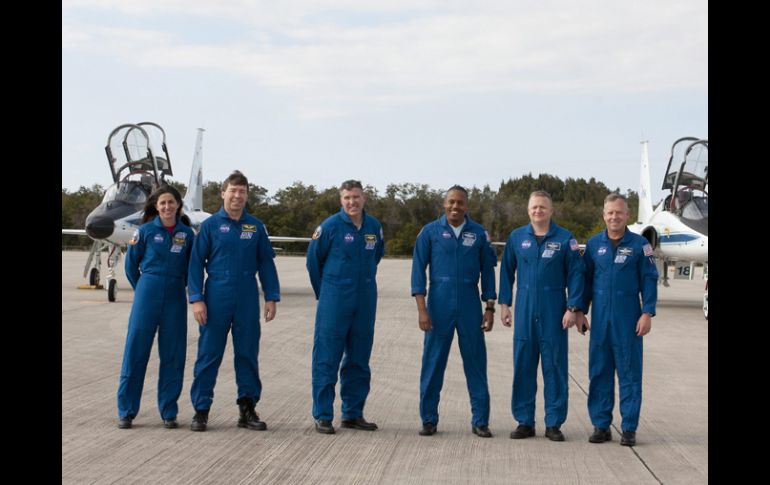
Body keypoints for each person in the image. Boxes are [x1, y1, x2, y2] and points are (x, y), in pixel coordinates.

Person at [187, 171, 280, 432]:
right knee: (208, 354)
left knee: (248, 354)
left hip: (247, 296)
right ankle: (201, 409)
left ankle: (247, 408)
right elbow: (195, 265)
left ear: (247, 196)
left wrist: (271, 296)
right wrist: (196, 299)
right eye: (233, 190)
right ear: (223, 193)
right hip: (216, 295)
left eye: (242, 192)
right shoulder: (210, 226)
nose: (237, 196)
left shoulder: (256, 227)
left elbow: (265, 262)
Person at [411, 185, 497, 438]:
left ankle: (480, 420)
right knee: (433, 363)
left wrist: (489, 307)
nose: (455, 207)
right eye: (451, 202)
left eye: (460, 202)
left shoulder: (479, 234)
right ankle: (428, 419)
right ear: (444, 203)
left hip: (470, 303)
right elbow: (417, 272)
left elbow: (488, 273)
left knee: (476, 364)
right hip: (439, 303)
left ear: (466, 205)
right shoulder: (429, 232)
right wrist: (422, 310)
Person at [498, 190, 585, 441]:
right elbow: (506, 272)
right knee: (523, 365)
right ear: (528, 210)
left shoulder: (565, 239)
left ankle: (554, 423)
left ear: (551, 210)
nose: (538, 211)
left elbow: (576, 274)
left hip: (554, 310)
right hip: (525, 307)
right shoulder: (517, 238)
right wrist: (505, 304)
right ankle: (524, 421)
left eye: (543, 207)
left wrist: (572, 308)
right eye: (534, 207)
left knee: (555, 367)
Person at [577, 193, 658, 447]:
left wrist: (647, 312)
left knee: (630, 374)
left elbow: (649, 278)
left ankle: (629, 428)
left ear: (627, 215)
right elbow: (585, 281)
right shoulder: (593, 245)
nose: (614, 216)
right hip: (600, 321)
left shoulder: (640, 245)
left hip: (628, 320)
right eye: (610, 212)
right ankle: (601, 426)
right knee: (599, 373)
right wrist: (580, 310)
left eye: (619, 212)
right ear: (604, 215)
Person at [306, 180, 384, 434]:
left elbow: (377, 255)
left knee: (359, 358)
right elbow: (313, 263)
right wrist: (327, 293)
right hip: (335, 299)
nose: (352, 202)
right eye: (347, 198)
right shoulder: (329, 227)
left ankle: (352, 413)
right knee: (327, 357)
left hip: (364, 300)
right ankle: (323, 414)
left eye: (356, 197)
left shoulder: (374, 227)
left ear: (364, 198)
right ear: (341, 200)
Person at [117, 184, 196, 429]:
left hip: (174, 296)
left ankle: (169, 411)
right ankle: (127, 411)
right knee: (135, 351)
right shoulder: (145, 232)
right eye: (162, 203)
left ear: (178, 205)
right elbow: (131, 266)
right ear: (156, 206)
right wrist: (143, 289)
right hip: (147, 292)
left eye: (171, 202)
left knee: (173, 354)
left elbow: (191, 269)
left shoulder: (187, 234)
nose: (167, 207)